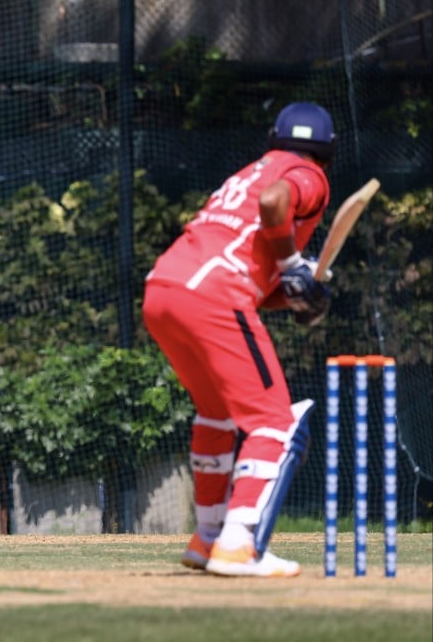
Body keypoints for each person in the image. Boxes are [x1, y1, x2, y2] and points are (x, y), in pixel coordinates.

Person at [142, 102, 336, 577]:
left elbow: (258, 279)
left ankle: (206, 538)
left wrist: (298, 294)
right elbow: (276, 204)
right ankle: (238, 543)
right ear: (327, 152)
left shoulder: (248, 173)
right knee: (273, 421)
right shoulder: (306, 175)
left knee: (217, 414)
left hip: (164, 288)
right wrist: (294, 268)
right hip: (214, 294)